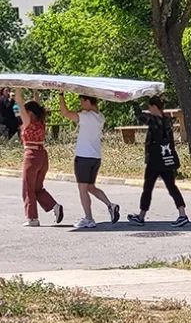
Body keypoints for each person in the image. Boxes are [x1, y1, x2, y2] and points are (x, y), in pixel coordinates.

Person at [59, 91, 119, 228]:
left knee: (82, 189)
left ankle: (88, 218)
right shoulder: (100, 117)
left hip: (84, 157)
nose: (81, 105)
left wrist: (61, 95)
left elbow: (65, 113)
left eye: (81, 101)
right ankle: (110, 205)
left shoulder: (86, 117)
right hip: (95, 157)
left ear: (87, 101)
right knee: (90, 187)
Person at [127, 95, 188, 228]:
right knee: (172, 187)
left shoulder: (153, 120)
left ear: (154, 107)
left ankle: (141, 216)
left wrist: (134, 101)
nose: (148, 110)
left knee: (147, 188)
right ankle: (182, 214)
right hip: (167, 159)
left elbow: (139, 115)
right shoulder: (167, 120)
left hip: (155, 160)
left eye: (149, 107)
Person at [14, 88, 64, 227]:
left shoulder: (28, 122)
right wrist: (35, 92)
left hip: (31, 155)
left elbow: (20, 103)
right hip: (43, 156)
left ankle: (32, 218)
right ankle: (54, 206)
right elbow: (36, 104)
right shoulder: (41, 121)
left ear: (29, 112)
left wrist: (17, 88)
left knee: (28, 188)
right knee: (37, 188)